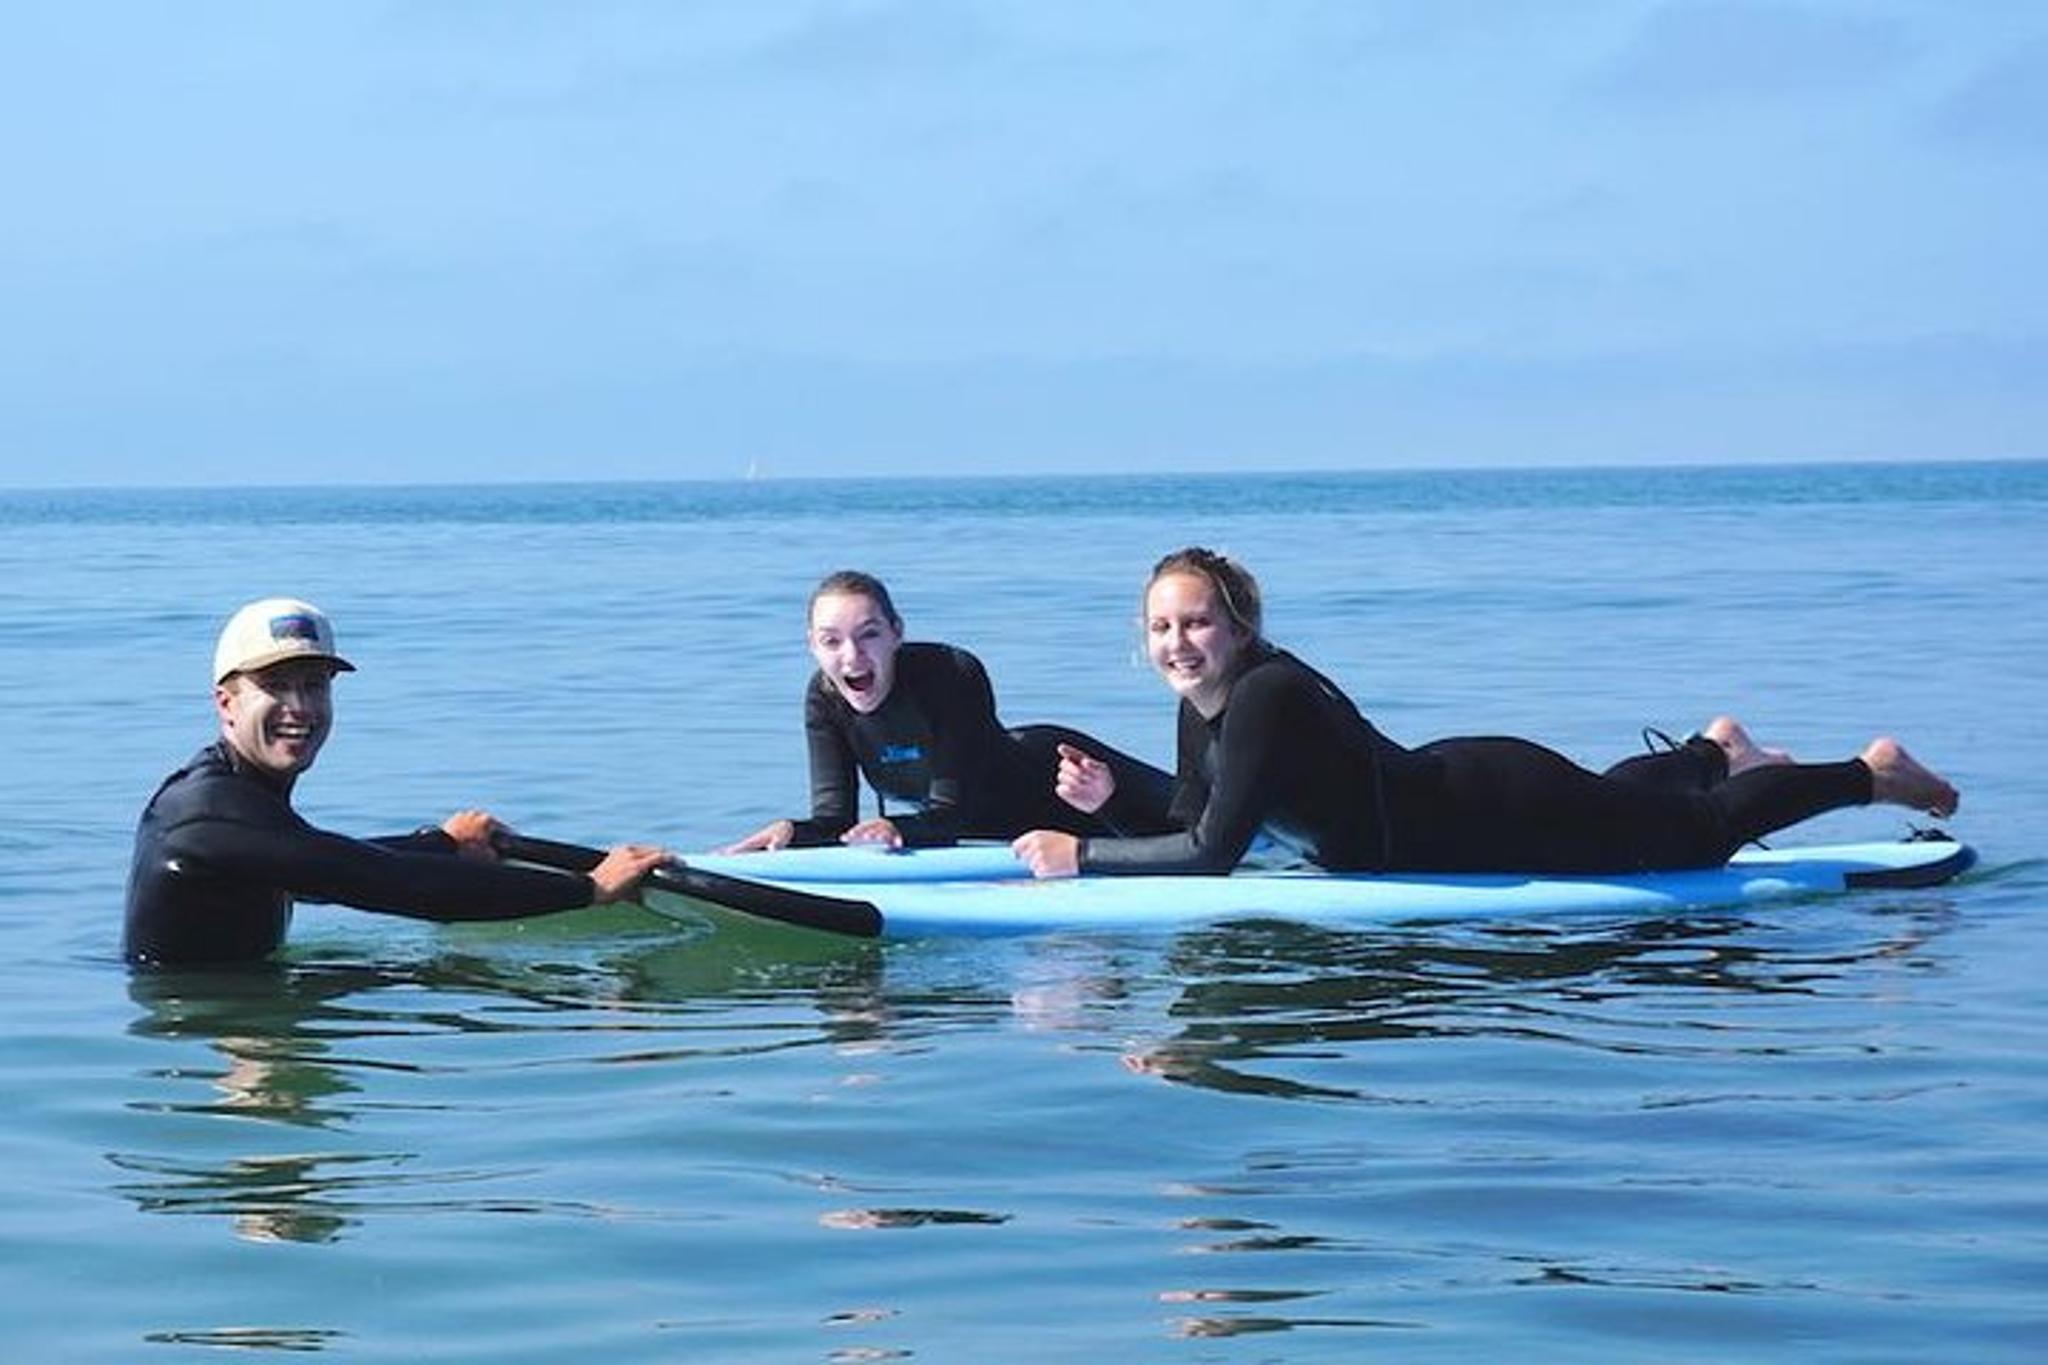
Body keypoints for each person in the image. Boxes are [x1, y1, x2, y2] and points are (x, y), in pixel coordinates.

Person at [1011, 547, 1960, 879]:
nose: (1179, 642)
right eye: (1162, 627)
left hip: (1497, 809)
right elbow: (1197, 827)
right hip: (1468, 790)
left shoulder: (1263, 692)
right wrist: (1104, 809)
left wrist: (1080, 853)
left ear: (1241, 625)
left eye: (1198, 623)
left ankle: (1869, 773)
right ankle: (1716, 749)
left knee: (1696, 840)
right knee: (1627, 797)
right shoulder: (1206, 705)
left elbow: (1214, 853)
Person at [125, 598, 671, 967]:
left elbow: (314, 867)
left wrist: (442, 844)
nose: (300, 708)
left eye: (315, 686)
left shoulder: (237, 799)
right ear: (227, 703)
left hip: (220, 1008)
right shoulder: (212, 810)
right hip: (204, 1030)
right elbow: (385, 883)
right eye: (276, 686)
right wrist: (588, 890)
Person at [723, 570, 1175, 853]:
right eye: (831, 641)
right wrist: (791, 832)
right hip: (1006, 840)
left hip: (1063, 780)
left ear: (897, 633)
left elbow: (951, 815)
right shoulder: (824, 698)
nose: (851, 656)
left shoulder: (949, 674)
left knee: (1202, 815)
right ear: (811, 646)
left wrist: (893, 828)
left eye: (869, 635)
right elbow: (835, 820)